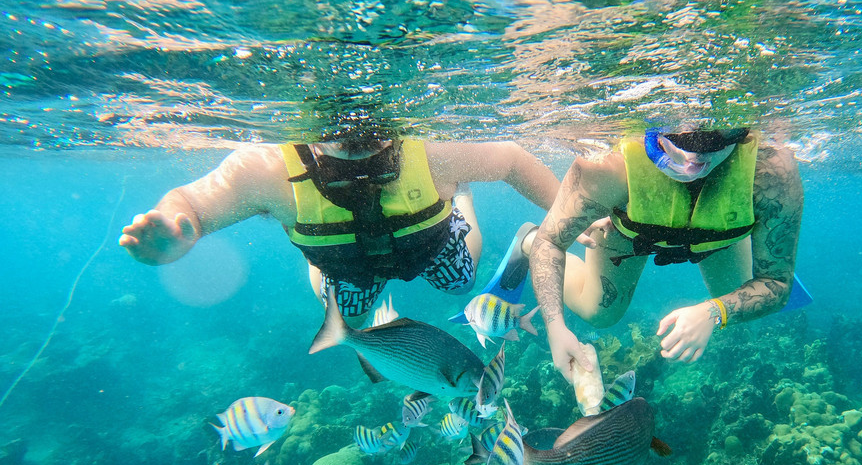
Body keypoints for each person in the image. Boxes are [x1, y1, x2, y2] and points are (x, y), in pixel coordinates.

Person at [120, 135, 561, 322]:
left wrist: (570, 218)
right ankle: (321, 265)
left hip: (429, 242)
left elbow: (512, 160)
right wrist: (180, 223)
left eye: (373, 134)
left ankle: (459, 197)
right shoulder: (266, 170)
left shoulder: (432, 153)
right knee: (348, 315)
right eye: (336, 132)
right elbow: (194, 202)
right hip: (347, 264)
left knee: (460, 283)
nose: (355, 138)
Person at [526, 126, 803, 381]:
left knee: (738, 301)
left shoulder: (772, 174)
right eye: (682, 143)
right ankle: (525, 239)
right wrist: (555, 328)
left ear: (738, 135)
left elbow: (777, 283)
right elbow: (550, 241)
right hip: (627, 233)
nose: (693, 161)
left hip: (715, 239)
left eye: (712, 145)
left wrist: (714, 311)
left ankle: (753, 238)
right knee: (601, 314)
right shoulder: (608, 167)